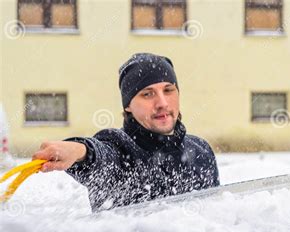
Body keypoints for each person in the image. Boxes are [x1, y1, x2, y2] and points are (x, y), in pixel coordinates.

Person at [32, 53, 220, 212]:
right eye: (147, 94)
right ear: (128, 105)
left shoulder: (200, 150)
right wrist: (79, 151)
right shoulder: (121, 148)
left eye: (168, 90)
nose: (162, 102)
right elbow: (100, 155)